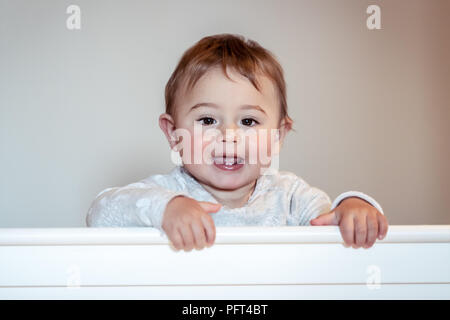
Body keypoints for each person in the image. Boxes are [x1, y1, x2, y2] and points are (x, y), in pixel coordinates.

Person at [86, 33, 388, 252]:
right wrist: (166, 209)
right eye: (207, 120)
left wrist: (353, 206)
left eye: (248, 121)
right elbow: (100, 214)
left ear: (277, 137)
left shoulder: (290, 196)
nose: (229, 135)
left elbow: (330, 221)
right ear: (173, 134)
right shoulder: (169, 193)